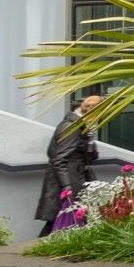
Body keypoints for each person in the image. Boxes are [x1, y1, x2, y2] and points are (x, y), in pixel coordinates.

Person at [37, 93, 102, 236]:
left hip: (74, 177)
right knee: (62, 219)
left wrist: (90, 146)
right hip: (69, 179)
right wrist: (67, 187)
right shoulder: (72, 127)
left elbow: (79, 156)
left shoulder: (79, 127)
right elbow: (59, 159)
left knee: (65, 219)